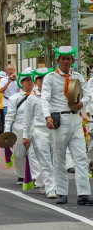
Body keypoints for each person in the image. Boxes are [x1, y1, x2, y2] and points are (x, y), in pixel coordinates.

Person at [42, 46, 93, 205]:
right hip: (59, 121)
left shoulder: (77, 76)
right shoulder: (50, 78)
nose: (65, 62)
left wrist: (82, 103)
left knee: (80, 158)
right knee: (59, 159)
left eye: (68, 59)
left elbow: (88, 94)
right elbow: (45, 98)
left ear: (72, 61)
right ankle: (62, 192)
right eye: (62, 59)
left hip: (76, 121)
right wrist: (47, 116)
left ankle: (84, 194)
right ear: (58, 61)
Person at [22, 67, 56, 199]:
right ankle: (51, 188)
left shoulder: (55, 96)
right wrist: (26, 136)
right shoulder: (32, 98)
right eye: (40, 80)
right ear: (36, 82)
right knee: (45, 160)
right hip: (39, 131)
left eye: (44, 79)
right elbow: (27, 119)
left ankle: (44, 182)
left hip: (54, 131)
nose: (42, 82)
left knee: (55, 160)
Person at [4, 67, 41, 185]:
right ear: (21, 82)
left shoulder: (38, 96)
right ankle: (21, 175)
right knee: (19, 153)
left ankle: (36, 177)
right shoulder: (14, 98)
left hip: (35, 127)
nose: (29, 83)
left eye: (31, 80)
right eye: (27, 80)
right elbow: (10, 116)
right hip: (19, 128)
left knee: (35, 153)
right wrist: (6, 131)